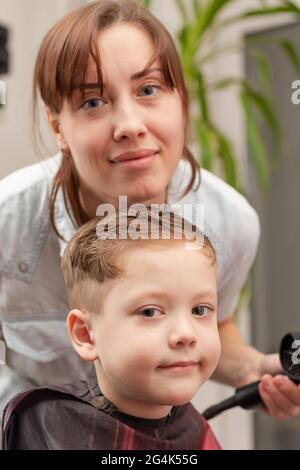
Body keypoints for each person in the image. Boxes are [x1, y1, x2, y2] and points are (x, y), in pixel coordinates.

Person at [0, 0, 299, 423]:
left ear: (181, 102)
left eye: (148, 90)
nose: (129, 125)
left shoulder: (230, 225)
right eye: (92, 102)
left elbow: (218, 329)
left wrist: (254, 371)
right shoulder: (7, 225)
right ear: (57, 126)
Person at [1, 209, 222, 450]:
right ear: (85, 334)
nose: (185, 334)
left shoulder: (198, 435)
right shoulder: (44, 426)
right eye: (150, 312)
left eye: (200, 310)